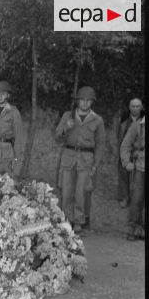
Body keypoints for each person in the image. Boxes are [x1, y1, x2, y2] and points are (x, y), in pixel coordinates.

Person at [55, 86, 106, 236]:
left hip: (86, 159)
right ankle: (65, 220)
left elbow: (100, 144)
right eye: (82, 100)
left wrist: (95, 164)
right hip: (69, 155)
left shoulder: (97, 120)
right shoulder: (67, 116)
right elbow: (57, 137)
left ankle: (78, 222)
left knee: (81, 192)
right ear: (77, 101)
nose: (84, 103)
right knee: (66, 190)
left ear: (92, 102)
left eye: (88, 101)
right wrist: (66, 128)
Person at [120, 114, 145, 241]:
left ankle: (141, 230)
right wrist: (126, 162)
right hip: (141, 167)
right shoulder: (137, 126)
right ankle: (133, 229)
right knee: (136, 200)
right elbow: (125, 145)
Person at [116, 98, 144, 208]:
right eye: (133, 106)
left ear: (141, 107)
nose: (135, 108)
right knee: (123, 174)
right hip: (125, 150)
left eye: (138, 106)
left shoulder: (143, 120)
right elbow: (118, 134)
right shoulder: (123, 119)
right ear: (129, 107)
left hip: (139, 152)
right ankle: (124, 198)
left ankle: (138, 199)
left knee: (139, 176)